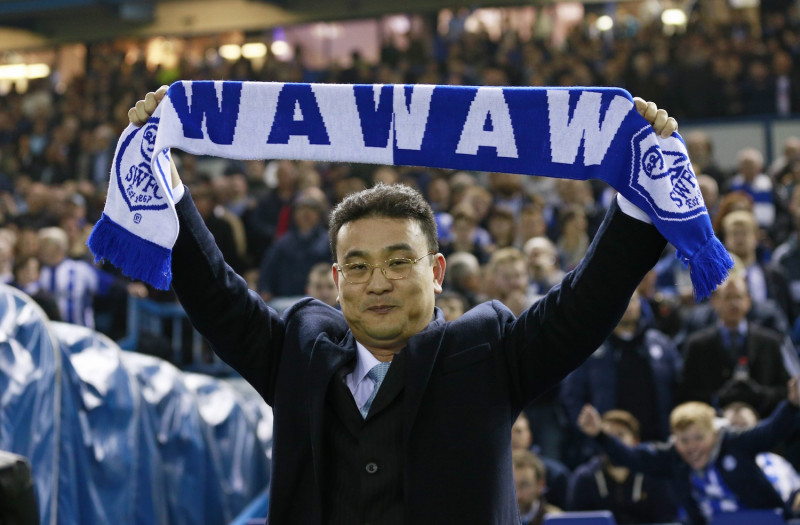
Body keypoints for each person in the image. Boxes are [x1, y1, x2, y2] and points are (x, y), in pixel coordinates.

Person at [129, 86, 677, 524]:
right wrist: (162, 175)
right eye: (359, 267)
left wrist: (641, 184)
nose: (378, 283)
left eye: (398, 261)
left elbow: (585, 302)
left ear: (436, 272)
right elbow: (215, 294)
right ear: (338, 281)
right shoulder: (298, 353)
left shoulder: (490, 354)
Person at [577, 379, 800, 524]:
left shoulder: (735, 443)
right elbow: (632, 457)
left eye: (698, 438)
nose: (692, 448)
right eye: (684, 440)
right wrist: (599, 435)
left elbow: (773, 431)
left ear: (714, 433)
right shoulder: (673, 458)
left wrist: (792, 405)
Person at [677, 274, 790, 417]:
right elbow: (686, 392)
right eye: (728, 297)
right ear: (715, 302)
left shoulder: (770, 342)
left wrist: (760, 394)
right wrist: (716, 398)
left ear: (748, 301)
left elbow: (784, 389)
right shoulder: (697, 345)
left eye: (739, 297)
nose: (734, 304)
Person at [566, 409, 678, 524]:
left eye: (620, 435)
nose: (614, 442)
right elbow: (576, 520)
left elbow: (668, 519)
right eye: (608, 437)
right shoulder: (585, 477)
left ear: (635, 441)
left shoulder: (654, 475)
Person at [513, 449, 562, 525]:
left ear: (541, 485)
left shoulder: (556, 519)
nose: (518, 494)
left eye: (525, 485)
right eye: (513, 486)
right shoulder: (495, 518)